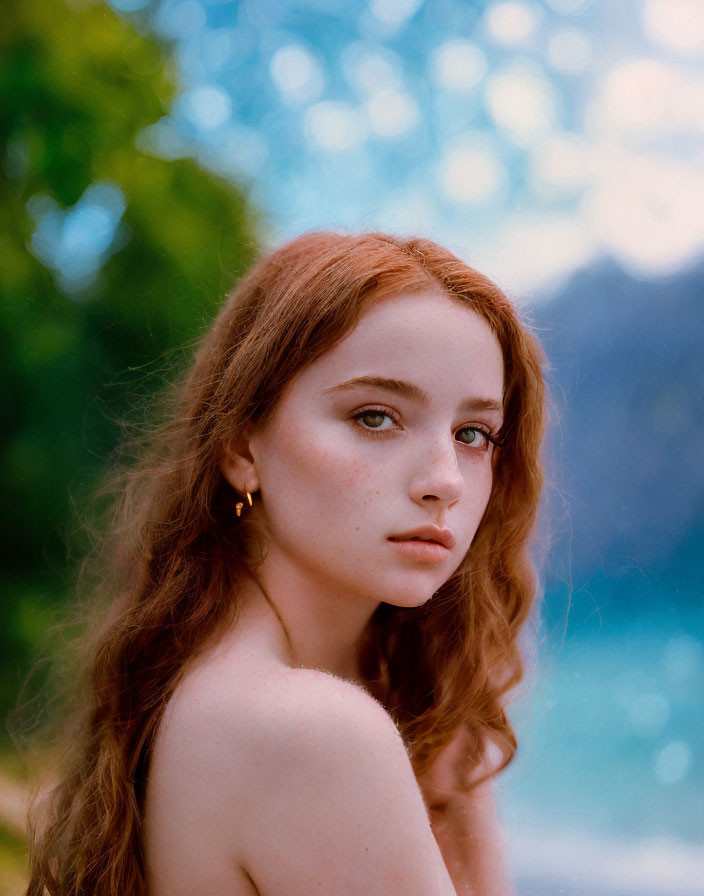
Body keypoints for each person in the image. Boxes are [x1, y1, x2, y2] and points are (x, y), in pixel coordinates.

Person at [24, 230, 545, 895]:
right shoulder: (311, 730)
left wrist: (457, 767)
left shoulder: (214, 677)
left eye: (473, 434)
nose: (444, 479)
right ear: (242, 444)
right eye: (376, 417)